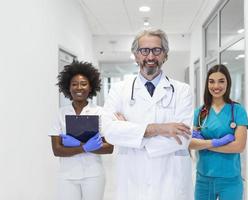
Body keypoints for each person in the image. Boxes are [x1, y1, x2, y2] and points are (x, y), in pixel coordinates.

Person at [102, 28, 193, 200]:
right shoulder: (119, 90)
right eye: (144, 50)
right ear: (136, 55)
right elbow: (109, 132)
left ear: (165, 55)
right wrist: (158, 129)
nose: (150, 57)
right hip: (132, 180)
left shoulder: (182, 91)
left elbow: (184, 138)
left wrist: (130, 134)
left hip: (170, 181)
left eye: (156, 50)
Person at [49, 61, 113, 200]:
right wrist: (86, 146)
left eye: (84, 84)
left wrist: (78, 146)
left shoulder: (101, 113)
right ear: (68, 87)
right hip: (67, 176)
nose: (79, 87)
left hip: (93, 175)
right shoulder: (60, 114)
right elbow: (57, 150)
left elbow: (109, 147)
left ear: (90, 87)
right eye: (74, 84)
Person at [189, 64, 248, 200]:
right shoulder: (199, 113)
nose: (216, 86)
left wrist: (204, 144)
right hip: (203, 179)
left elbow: (239, 146)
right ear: (207, 84)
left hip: (230, 180)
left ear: (228, 83)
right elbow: (190, 143)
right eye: (212, 81)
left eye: (221, 81)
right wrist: (217, 142)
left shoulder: (238, 111)